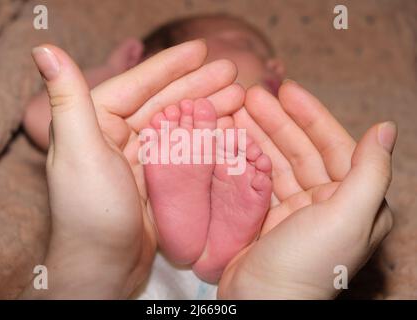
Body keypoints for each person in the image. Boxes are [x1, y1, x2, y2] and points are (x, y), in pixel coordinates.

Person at [21, 15, 396, 299]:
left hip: (214, 281)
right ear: (149, 61)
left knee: (275, 193)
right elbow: (46, 120)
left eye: (275, 62)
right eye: (246, 43)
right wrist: (115, 67)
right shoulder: (138, 123)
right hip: (143, 252)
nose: (275, 64)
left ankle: (224, 240)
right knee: (132, 164)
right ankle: (192, 224)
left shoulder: (274, 145)